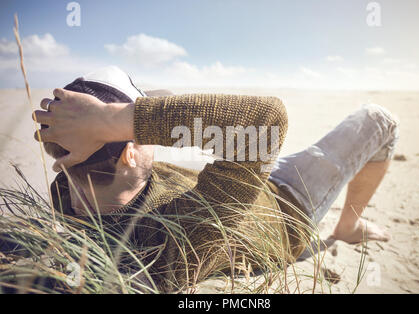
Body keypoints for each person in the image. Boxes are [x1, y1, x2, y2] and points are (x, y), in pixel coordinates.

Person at [33, 66, 399, 292]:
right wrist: (110, 120)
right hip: (290, 206)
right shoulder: (171, 239)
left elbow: (174, 109)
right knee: (379, 119)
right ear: (129, 153)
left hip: (241, 180)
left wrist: (106, 123)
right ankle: (349, 226)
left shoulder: (70, 188)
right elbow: (265, 122)